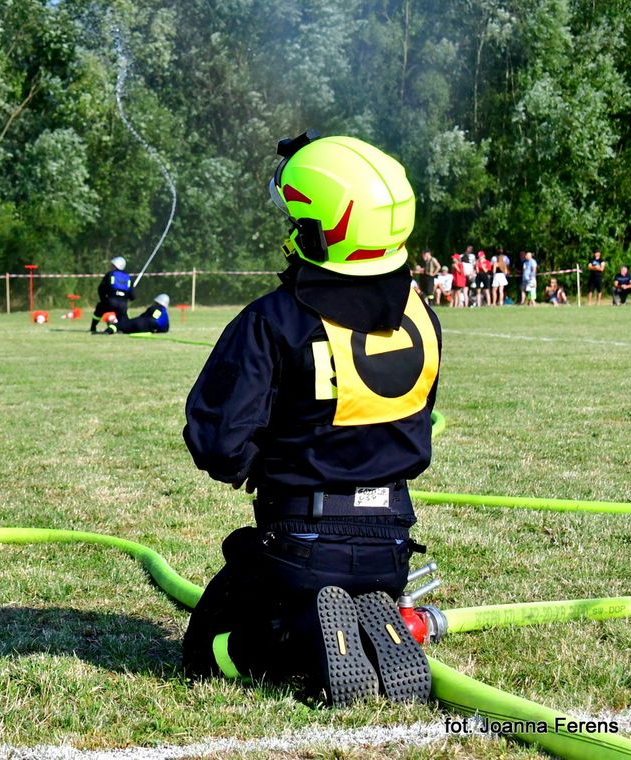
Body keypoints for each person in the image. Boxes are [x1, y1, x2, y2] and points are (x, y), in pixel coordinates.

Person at [181, 132, 439, 708]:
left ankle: (297, 639)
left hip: (299, 543)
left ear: (319, 228)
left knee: (208, 649)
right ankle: (383, 621)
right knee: (337, 583)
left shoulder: (274, 320)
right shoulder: (421, 316)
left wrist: (260, 466)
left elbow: (216, 441)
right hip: (392, 542)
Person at [89, 256, 134, 333]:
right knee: (123, 318)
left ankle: (93, 327)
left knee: (99, 309)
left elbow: (101, 288)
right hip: (123, 304)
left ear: (116, 266)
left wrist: (103, 299)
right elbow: (133, 295)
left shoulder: (110, 274)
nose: (111, 267)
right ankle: (121, 329)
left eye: (112, 265)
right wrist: (126, 297)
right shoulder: (128, 277)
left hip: (111, 301)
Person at [105, 293, 171, 334]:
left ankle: (109, 330)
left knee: (120, 325)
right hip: (150, 329)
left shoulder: (155, 308)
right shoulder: (165, 315)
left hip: (142, 323)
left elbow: (144, 317)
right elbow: (165, 329)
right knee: (127, 328)